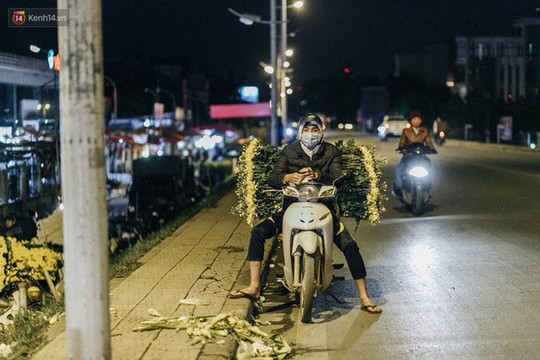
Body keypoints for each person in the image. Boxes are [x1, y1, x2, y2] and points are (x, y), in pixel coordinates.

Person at [229, 113, 382, 314]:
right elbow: (272, 177)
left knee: (350, 245)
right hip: (290, 208)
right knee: (258, 232)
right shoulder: (289, 151)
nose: (310, 134)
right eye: (307, 129)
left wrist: (320, 175)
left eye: (315, 129)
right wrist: (286, 177)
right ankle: (254, 286)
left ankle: (364, 296)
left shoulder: (331, 151)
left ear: (321, 131)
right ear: (300, 131)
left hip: (324, 209)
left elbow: (339, 175)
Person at [393, 113, 436, 197]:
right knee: (399, 169)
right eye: (414, 119)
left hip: (421, 156)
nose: (416, 121)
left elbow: (429, 142)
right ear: (411, 120)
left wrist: (432, 149)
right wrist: (402, 148)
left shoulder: (424, 131)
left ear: (421, 120)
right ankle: (398, 187)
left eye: (418, 119)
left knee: (429, 165)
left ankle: (427, 186)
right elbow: (402, 143)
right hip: (409, 155)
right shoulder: (406, 131)